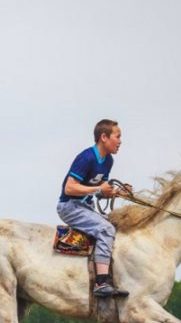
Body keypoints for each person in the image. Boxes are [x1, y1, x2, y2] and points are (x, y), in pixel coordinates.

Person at [57, 119, 132, 297]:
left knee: (117, 225)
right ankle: (101, 283)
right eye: (118, 136)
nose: (121, 141)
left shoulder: (108, 161)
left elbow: (101, 191)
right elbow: (69, 188)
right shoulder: (86, 157)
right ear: (104, 137)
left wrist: (119, 193)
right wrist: (99, 189)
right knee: (106, 229)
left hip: (85, 206)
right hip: (69, 206)